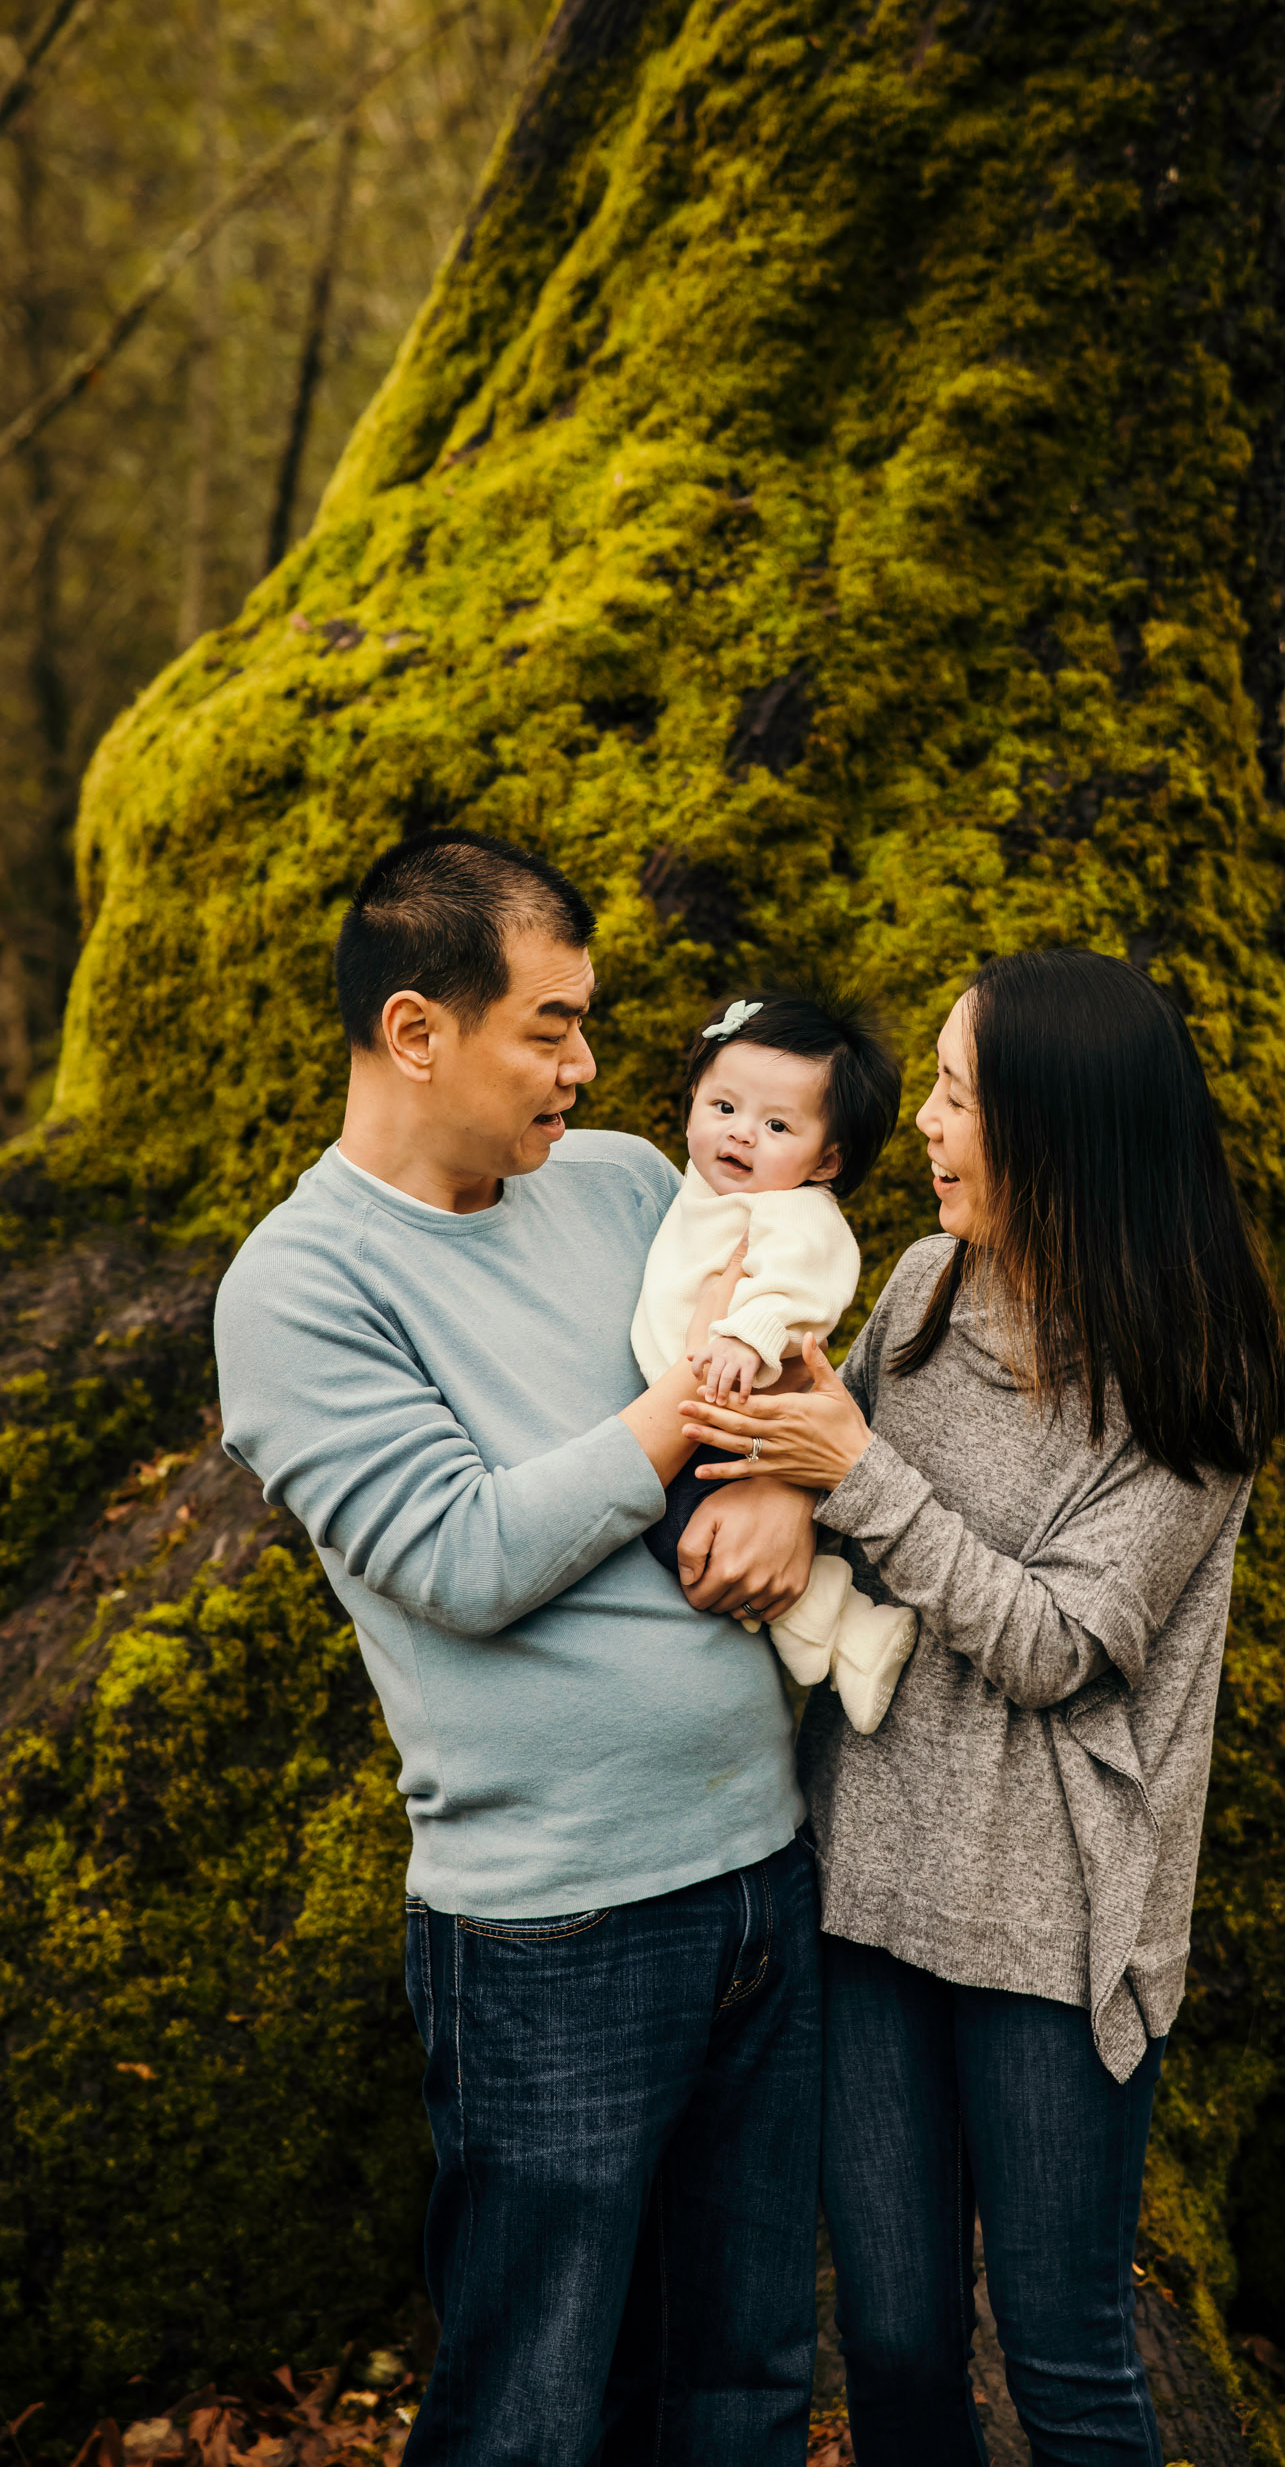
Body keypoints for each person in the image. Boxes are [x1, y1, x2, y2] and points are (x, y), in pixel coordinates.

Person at [213, 828, 824, 2467]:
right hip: (555, 1939)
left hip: (765, 1878)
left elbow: (779, 1366)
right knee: (533, 2408)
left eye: (588, 1024)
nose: (586, 1065)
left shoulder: (629, 1184)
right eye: (547, 1027)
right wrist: (673, 1419)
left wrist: (777, 1493)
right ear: (418, 1031)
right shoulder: (297, 1289)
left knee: (745, 2381)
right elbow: (463, 1555)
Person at [679, 947, 1285, 2467]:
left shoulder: (1189, 1371)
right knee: (887, 2344)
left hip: (1052, 1929)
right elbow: (812, 1471)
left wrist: (856, 1479)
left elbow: (1064, 1644)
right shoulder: (920, 1286)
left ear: (1055, 1129)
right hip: (865, 1886)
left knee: (1064, 2353)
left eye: (956, 1097)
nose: (926, 1129)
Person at [633, 990, 916, 1731]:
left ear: (826, 1159)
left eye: (777, 1125)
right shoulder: (699, 1187)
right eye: (723, 1107)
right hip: (700, 1417)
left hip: (739, 1418)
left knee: (686, 1537)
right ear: (693, 1095)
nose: (741, 1136)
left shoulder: (796, 1212)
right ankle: (825, 1634)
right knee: (686, 1538)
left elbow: (808, 1284)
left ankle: (846, 1628)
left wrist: (747, 1332)